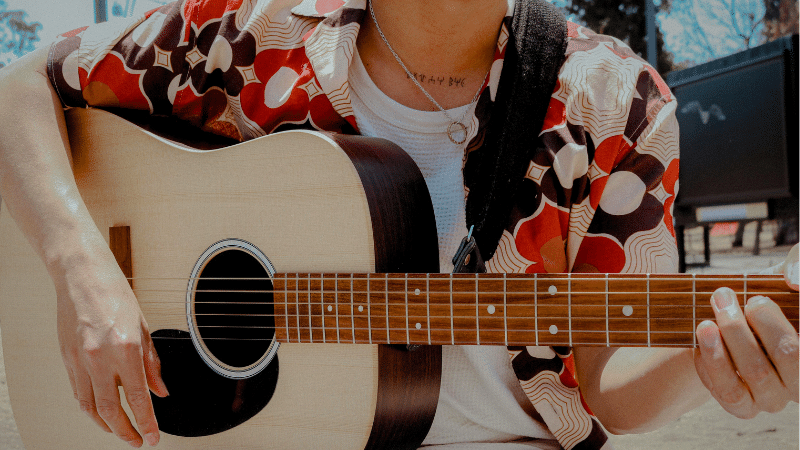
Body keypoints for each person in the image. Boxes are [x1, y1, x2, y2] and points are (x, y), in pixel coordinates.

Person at [0, 0, 797, 448]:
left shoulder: (617, 100)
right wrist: (82, 266)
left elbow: (609, 385)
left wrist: (717, 358)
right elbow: (20, 89)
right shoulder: (248, 35)